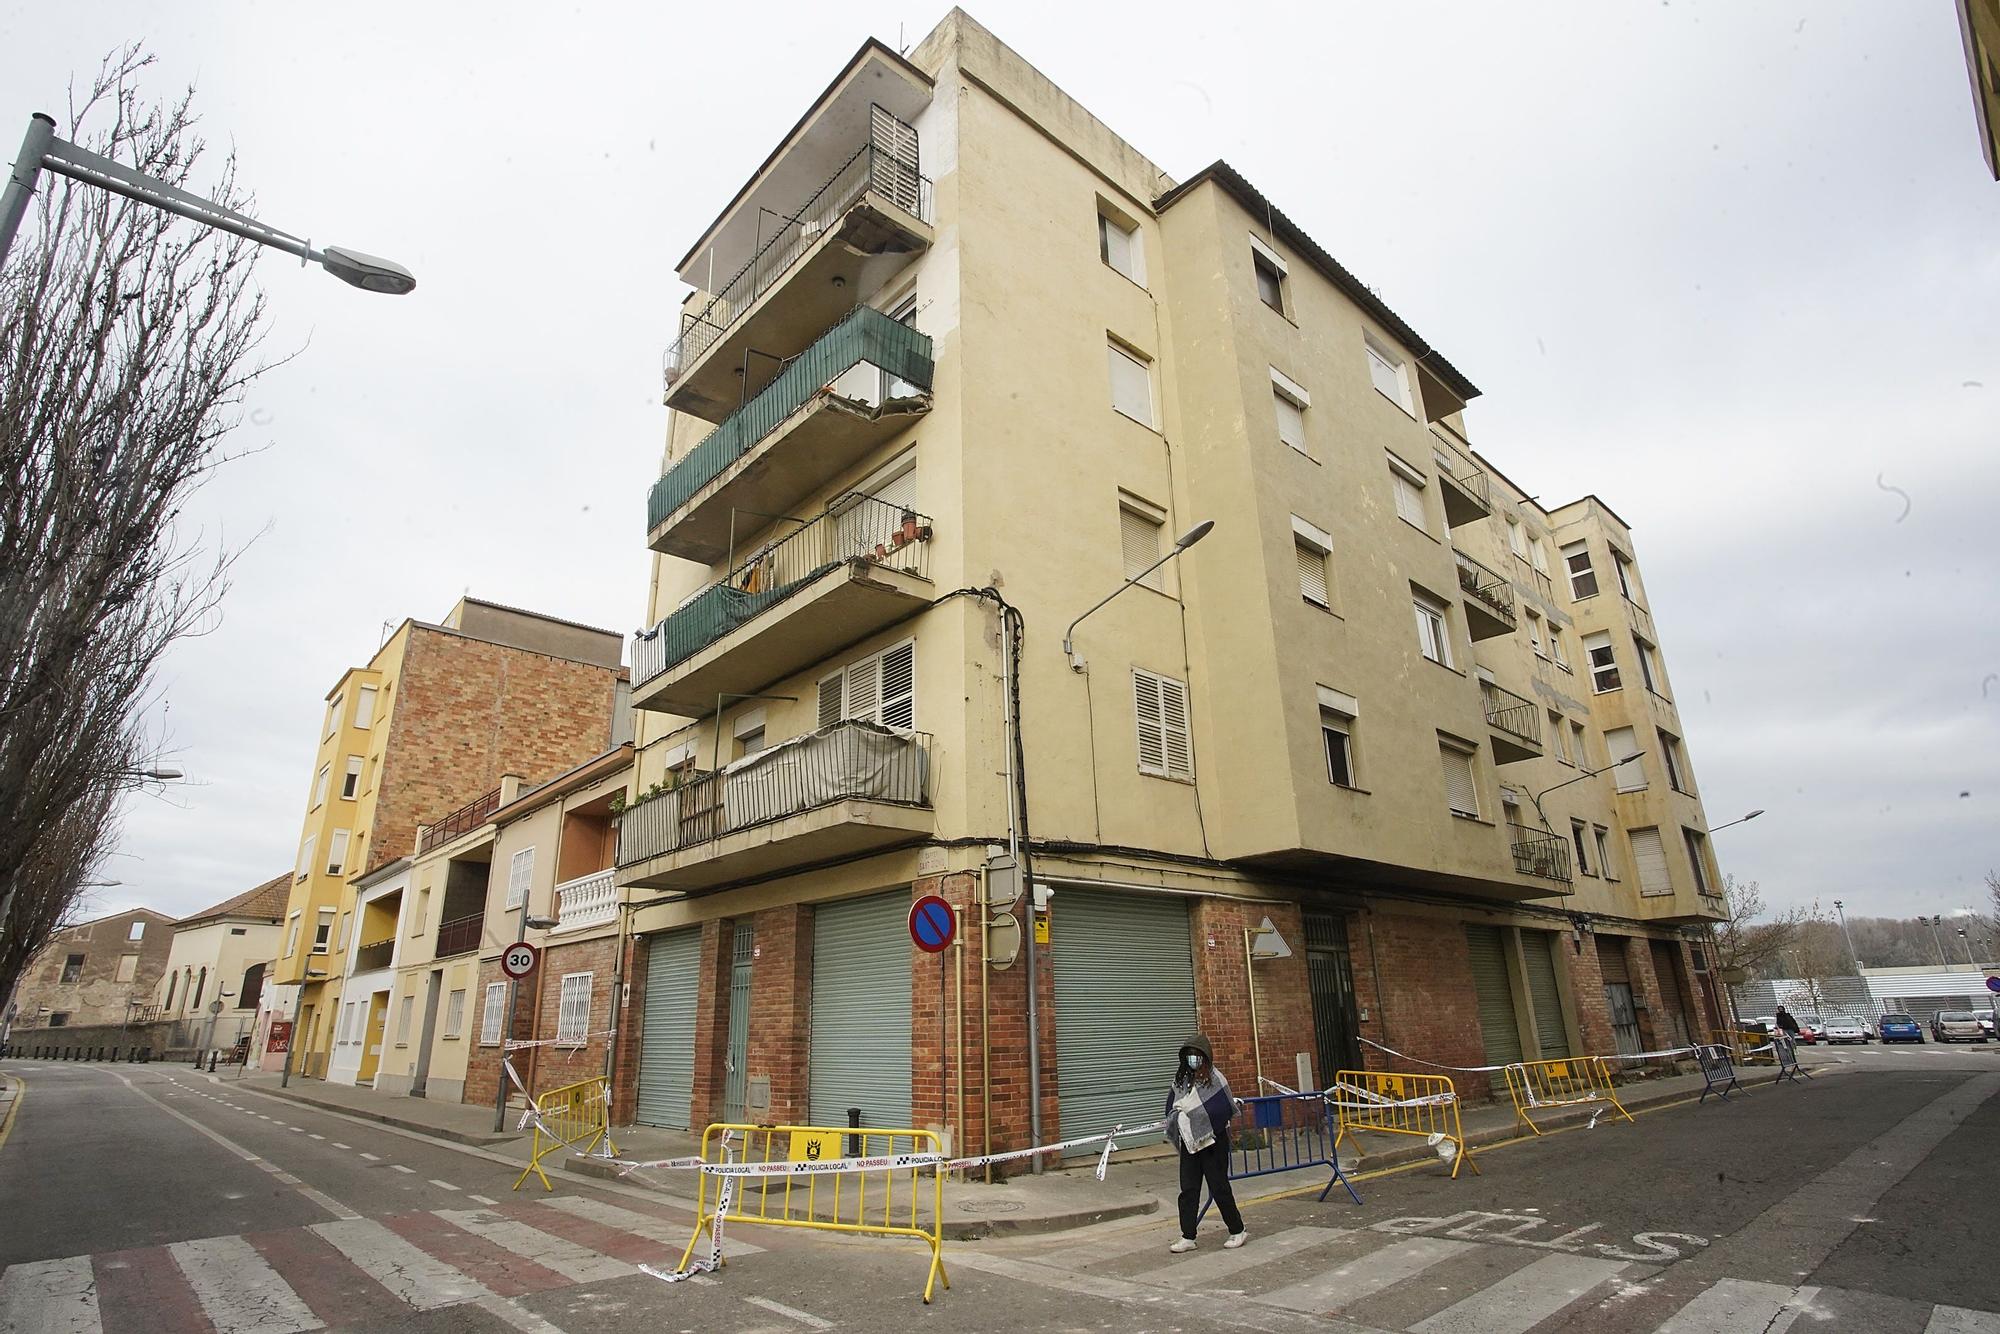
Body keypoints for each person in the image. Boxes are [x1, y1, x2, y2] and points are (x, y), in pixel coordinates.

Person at [1164, 1034, 1246, 1253]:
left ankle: (1237, 1230)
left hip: (1213, 1143)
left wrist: (1194, 1113)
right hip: (1190, 1143)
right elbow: (1171, 1106)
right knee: (1188, 1190)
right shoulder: (1182, 1080)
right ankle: (1188, 1236)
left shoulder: (1215, 1078)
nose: (1193, 1059)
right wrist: (1179, 1117)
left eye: (1196, 1055)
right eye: (1189, 1055)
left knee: (1219, 1187)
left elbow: (1222, 1109)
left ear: (1205, 1057)